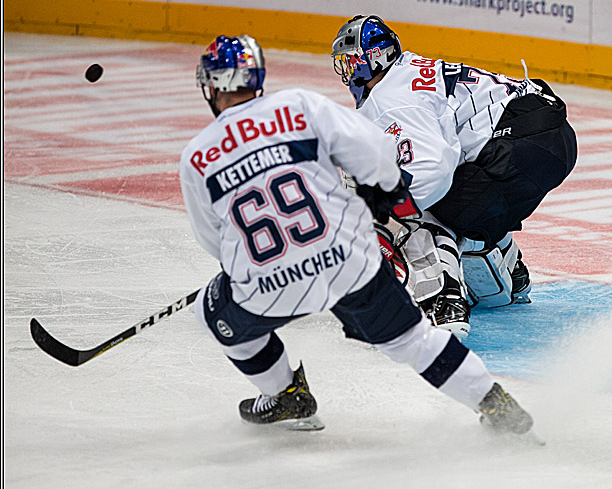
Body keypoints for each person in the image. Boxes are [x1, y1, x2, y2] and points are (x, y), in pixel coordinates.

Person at [179, 33, 534, 435]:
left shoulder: (196, 155)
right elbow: (378, 152)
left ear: (210, 85)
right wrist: (385, 189)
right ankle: (497, 405)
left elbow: (213, 241)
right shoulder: (298, 104)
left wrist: (247, 268)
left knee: (212, 316)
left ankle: (284, 394)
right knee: (413, 342)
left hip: (269, 280)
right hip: (347, 260)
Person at [330, 15, 578, 339]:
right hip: (550, 138)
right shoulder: (409, 71)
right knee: (468, 204)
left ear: (371, 61)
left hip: (516, 144)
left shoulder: (389, 96)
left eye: (349, 63)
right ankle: (505, 274)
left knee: (414, 203)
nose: (347, 74)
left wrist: (384, 212)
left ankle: (443, 299)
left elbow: (432, 170)